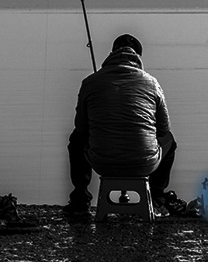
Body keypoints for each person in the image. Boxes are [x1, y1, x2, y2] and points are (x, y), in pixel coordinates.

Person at [64, 33, 180, 217]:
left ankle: (80, 201)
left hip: (102, 162)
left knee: (76, 139)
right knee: (169, 140)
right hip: (144, 163)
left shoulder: (90, 82)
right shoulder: (152, 83)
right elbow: (163, 129)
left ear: (112, 54)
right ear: (138, 56)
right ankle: (157, 199)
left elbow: (81, 127)